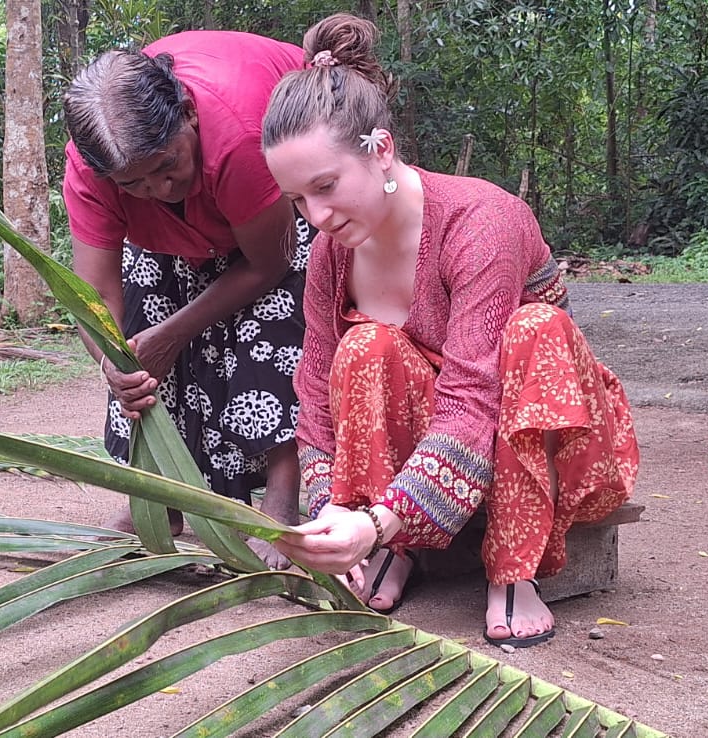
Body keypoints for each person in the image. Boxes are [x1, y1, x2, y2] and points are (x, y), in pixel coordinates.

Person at [262, 14, 640, 647]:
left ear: (381, 150)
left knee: (533, 329)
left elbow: (473, 399)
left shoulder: (480, 223)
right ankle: (397, 546)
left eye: (325, 186)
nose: (316, 216)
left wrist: (379, 520)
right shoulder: (333, 250)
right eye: (298, 199)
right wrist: (334, 507)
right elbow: (316, 388)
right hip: (440, 441)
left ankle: (514, 568)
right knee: (363, 345)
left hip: (538, 423)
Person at [61, 30, 315, 568]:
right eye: (135, 184)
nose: (159, 188)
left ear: (187, 117)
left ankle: (281, 494)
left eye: (166, 165)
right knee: (137, 329)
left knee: (271, 316)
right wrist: (116, 365)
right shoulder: (93, 168)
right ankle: (161, 494)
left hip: (272, 228)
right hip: (174, 235)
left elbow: (271, 262)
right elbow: (97, 293)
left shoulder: (238, 134)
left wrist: (176, 333)